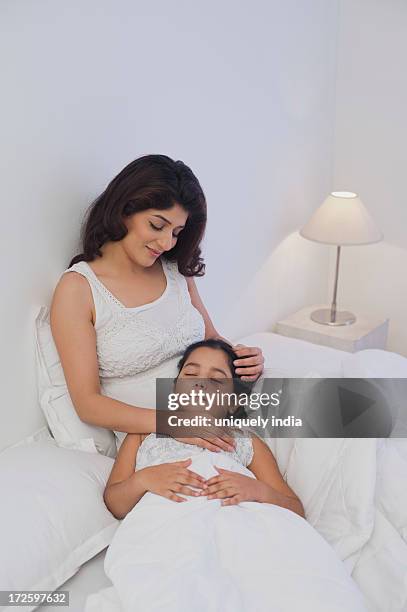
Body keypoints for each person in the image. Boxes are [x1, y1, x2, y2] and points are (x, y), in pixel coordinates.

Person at [50, 154, 265, 454]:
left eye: (176, 232)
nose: (167, 243)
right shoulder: (79, 289)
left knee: (341, 417)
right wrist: (174, 423)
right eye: (157, 225)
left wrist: (244, 360)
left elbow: (211, 339)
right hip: (158, 437)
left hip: (220, 409)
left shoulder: (174, 269)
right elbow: (88, 404)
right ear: (124, 209)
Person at [103, 338, 305, 519]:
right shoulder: (142, 434)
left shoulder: (246, 442)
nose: (200, 383)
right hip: (166, 529)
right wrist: (143, 480)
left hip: (234, 528)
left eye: (216, 379)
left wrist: (258, 490)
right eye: (190, 374)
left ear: (233, 402)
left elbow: (296, 510)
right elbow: (115, 504)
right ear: (174, 389)